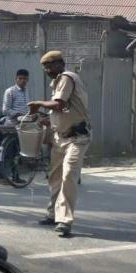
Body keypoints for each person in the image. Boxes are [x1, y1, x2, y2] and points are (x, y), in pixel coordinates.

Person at [28, 51, 91, 237]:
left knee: (68, 176)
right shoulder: (57, 82)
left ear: (60, 64)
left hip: (77, 138)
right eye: (44, 67)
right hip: (59, 138)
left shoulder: (66, 77)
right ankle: (53, 214)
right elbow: (62, 110)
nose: (47, 70)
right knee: (54, 177)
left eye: (49, 66)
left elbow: (58, 104)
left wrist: (38, 103)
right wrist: (47, 121)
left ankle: (64, 220)